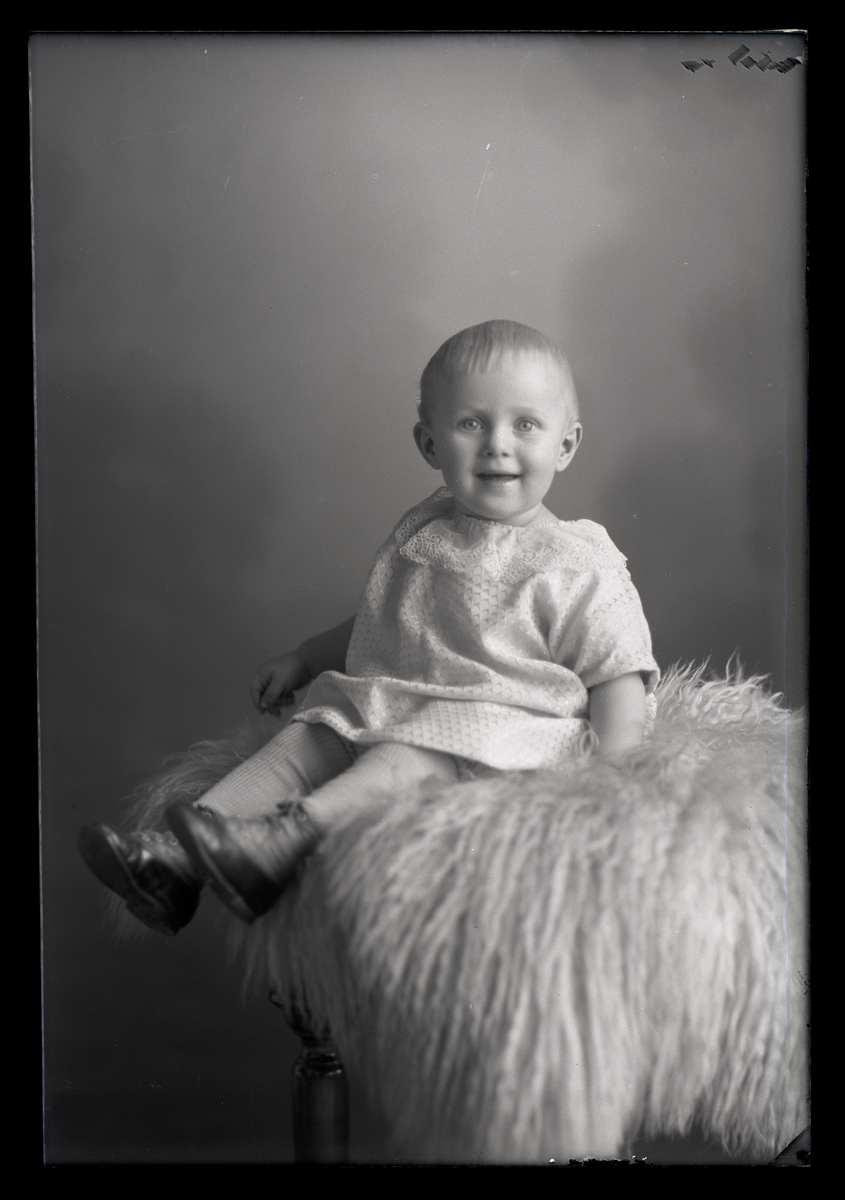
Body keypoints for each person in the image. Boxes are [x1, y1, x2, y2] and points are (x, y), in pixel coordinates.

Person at [79, 320, 659, 936]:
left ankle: (282, 840)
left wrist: (611, 784)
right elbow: (394, 618)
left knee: (405, 754)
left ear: (565, 446)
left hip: (496, 738)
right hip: (398, 703)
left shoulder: (575, 563)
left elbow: (617, 670)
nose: (497, 445)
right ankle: (178, 859)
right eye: (471, 424)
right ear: (430, 444)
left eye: (525, 425)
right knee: (309, 737)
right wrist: (306, 658)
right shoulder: (428, 530)